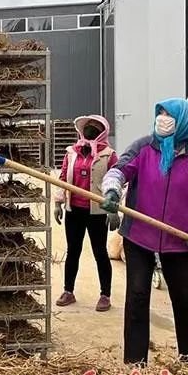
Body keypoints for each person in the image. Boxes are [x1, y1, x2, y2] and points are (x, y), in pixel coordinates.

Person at [100, 98, 188, 366]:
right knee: (137, 294)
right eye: (161, 114)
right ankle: (135, 361)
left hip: (178, 240)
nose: (162, 119)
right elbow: (118, 171)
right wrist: (111, 191)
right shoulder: (144, 147)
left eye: (169, 115)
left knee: (182, 296)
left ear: (184, 121)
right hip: (139, 237)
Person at [53, 115, 119, 312]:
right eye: (88, 126)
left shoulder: (109, 155)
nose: (90, 129)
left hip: (97, 212)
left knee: (100, 252)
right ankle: (68, 291)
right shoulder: (72, 152)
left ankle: (105, 295)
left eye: (95, 127)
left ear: (103, 132)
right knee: (73, 250)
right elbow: (63, 177)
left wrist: (113, 208)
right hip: (74, 210)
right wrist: (58, 202)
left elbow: (117, 180)